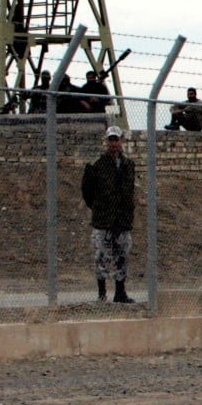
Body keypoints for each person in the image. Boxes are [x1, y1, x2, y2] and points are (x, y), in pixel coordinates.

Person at [81, 126, 137, 303]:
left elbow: (129, 190)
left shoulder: (128, 165)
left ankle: (120, 292)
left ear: (121, 141)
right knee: (101, 257)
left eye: (116, 140)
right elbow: (87, 190)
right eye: (111, 140)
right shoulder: (97, 164)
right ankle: (102, 294)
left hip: (122, 220)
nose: (114, 144)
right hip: (104, 220)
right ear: (107, 142)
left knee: (122, 256)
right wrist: (98, 207)